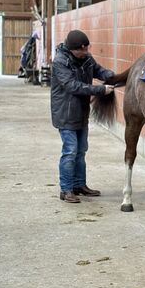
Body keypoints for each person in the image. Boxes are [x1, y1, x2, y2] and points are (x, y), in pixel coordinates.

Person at [51, 29, 115, 203]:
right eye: (82, 49)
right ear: (73, 49)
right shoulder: (60, 62)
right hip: (65, 113)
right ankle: (66, 190)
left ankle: (79, 185)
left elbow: (99, 70)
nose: (86, 52)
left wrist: (111, 76)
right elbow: (72, 86)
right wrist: (100, 90)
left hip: (81, 112)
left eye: (87, 48)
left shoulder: (86, 58)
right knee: (70, 151)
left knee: (81, 151)